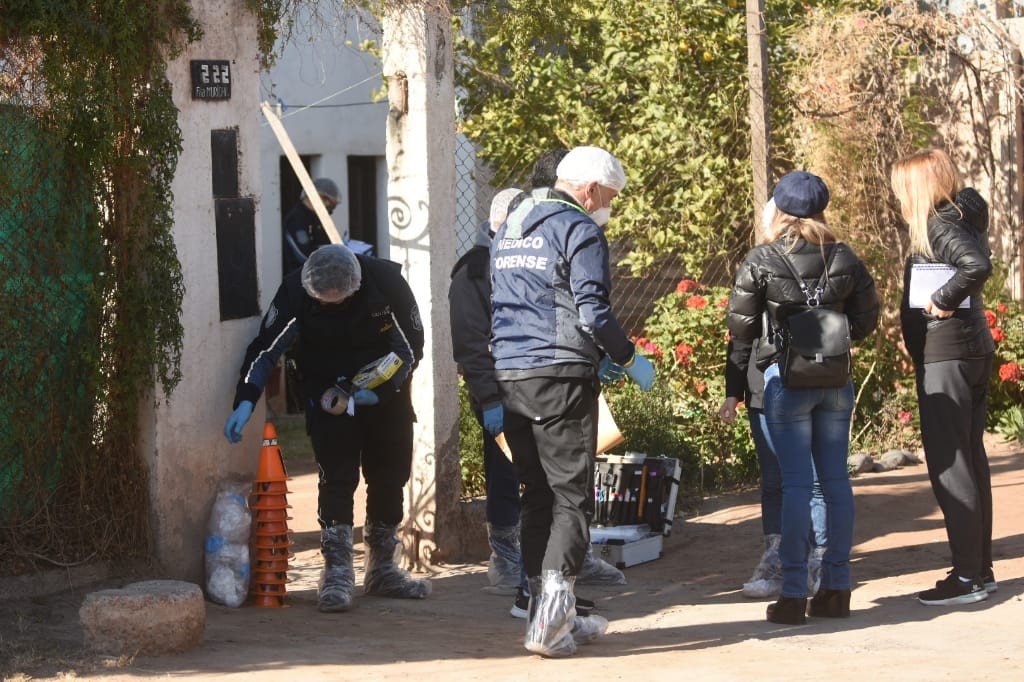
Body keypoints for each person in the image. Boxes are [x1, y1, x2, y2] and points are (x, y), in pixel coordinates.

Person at [490, 145, 655, 657]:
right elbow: (592, 312)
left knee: (537, 494)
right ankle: (553, 621)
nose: (610, 205)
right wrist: (628, 357)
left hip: (511, 375)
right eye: (610, 195)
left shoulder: (511, 227)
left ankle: (546, 611)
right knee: (572, 498)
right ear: (589, 188)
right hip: (561, 376)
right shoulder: (580, 228)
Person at [223, 243, 429, 613]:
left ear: (355, 284)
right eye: (325, 302)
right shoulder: (295, 292)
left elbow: (411, 348)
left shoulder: (386, 283)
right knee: (336, 476)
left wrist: (377, 390)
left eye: (341, 300)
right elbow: (265, 349)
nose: (333, 305)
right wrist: (245, 399)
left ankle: (382, 568)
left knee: (389, 475)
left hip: (385, 393)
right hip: (326, 396)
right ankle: (336, 572)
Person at [726, 171, 879, 625]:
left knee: (794, 486)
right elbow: (866, 321)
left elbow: (741, 327)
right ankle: (836, 587)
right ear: (820, 210)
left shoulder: (763, 259)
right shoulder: (846, 257)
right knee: (834, 482)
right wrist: (828, 331)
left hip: (786, 380)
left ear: (780, 211)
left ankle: (793, 593)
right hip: (835, 379)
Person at [890, 149, 996, 606]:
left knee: (952, 465)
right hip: (970, 351)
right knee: (969, 461)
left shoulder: (940, 223)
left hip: (948, 356)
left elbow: (976, 266)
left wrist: (944, 299)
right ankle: (980, 571)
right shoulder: (960, 218)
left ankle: (969, 576)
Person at [720, 198, 828, 600]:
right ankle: (777, 557)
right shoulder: (758, 262)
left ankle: (815, 559)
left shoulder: (830, 258)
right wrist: (734, 391)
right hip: (764, 384)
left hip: (811, 379)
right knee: (775, 479)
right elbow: (741, 334)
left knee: (813, 479)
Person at [449, 188, 528, 597]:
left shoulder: (529, 260)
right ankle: (505, 556)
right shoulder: (474, 271)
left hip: (539, 381)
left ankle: (565, 553)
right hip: (499, 389)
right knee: (505, 472)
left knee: (557, 470)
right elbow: (469, 342)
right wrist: (489, 397)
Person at [282, 177, 341, 276]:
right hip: (301, 278)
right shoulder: (297, 218)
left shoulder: (315, 218)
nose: (329, 210)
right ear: (318, 196)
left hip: (317, 278)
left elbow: (324, 243)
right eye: (329, 204)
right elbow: (303, 253)